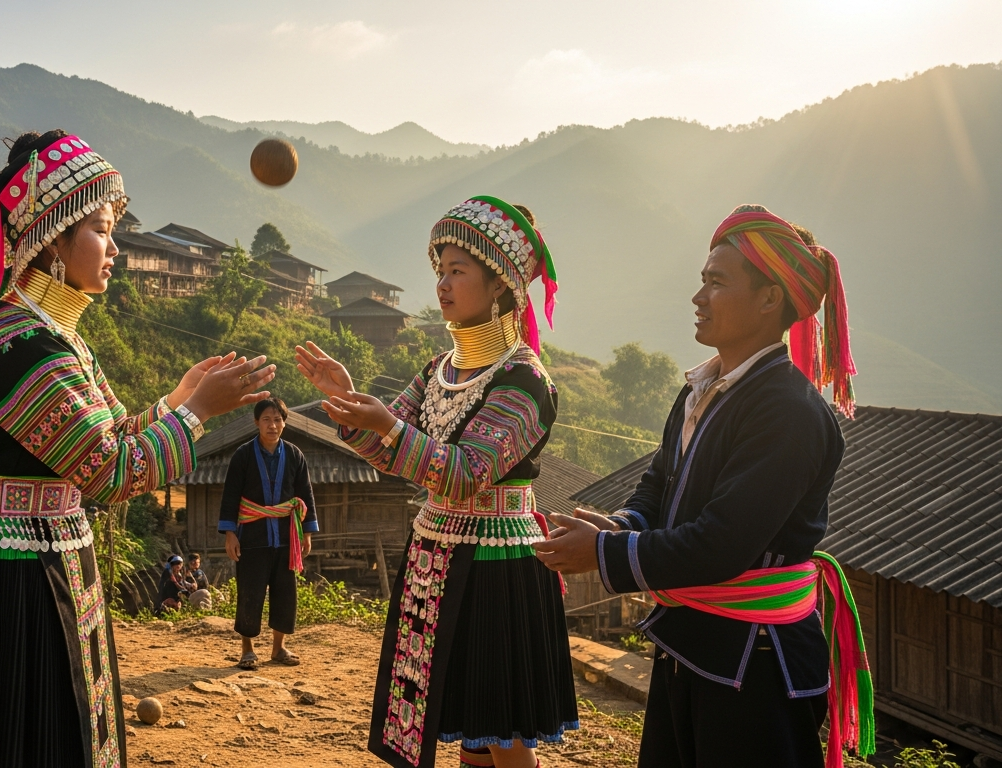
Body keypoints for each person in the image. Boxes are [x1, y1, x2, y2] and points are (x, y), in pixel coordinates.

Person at [0, 129, 274, 768]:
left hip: (51, 557)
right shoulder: (19, 345)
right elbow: (108, 471)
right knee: (13, 735)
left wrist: (179, 399)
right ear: (52, 238)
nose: (115, 247)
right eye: (99, 229)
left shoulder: (58, 338)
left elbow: (110, 437)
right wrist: (200, 413)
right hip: (5, 576)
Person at [532, 205, 873, 768]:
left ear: (769, 299)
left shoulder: (788, 411)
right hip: (691, 644)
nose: (698, 297)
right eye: (702, 280)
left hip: (755, 663)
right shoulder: (702, 389)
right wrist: (618, 526)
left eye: (716, 282)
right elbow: (657, 488)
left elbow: (723, 542)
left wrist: (602, 552)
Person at [297, 197, 577, 768]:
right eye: (440, 271)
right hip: (434, 554)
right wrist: (350, 405)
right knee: (468, 729)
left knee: (503, 733)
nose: (443, 286)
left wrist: (385, 424)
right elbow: (388, 452)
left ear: (499, 284)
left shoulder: (525, 381)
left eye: (458, 271)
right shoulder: (438, 370)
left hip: (495, 563)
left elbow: (466, 472)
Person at [218, 397, 318, 670]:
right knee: (250, 591)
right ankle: (247, 650)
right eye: (266, 420)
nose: (272, 425)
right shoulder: (243, 455)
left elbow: (305, 494)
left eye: (277, 420)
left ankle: (279, 648)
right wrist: (230, 533)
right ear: (256, 422)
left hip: (287, 537)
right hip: (252, 535)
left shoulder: (295, 455)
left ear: (284, 423)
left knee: (285, 593)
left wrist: (307, 532)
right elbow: (230, 496)